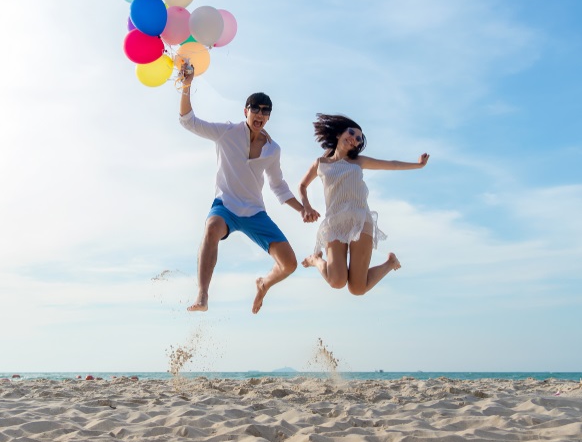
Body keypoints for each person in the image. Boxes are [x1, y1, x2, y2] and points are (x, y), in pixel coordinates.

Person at [178, 66, 319, 314]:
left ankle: (264, 284)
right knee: (212, 228)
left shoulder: (273, 149)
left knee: (290, 264)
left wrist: (303, 208)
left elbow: (278, 187)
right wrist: (187, 85)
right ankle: (202, 295)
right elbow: (188, 121)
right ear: (246, 111)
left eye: (265, 112)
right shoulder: (226, 132)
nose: (260, 114)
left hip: (255, 213)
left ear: (268, 118)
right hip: (226, 206)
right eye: (255, 109)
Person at [299, 113, 429, 296]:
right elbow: (302, 185)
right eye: (351, 133)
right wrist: (306, 206)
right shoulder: (321, 163)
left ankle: (390, 262)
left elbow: (391, 164)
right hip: (335, 223)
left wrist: (418, 165)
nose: (354, 139)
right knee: (337, 281)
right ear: (338, 134)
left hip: (360, 221)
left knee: (357, 288)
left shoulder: (358, 162)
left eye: (358, 139)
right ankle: (316, 260)